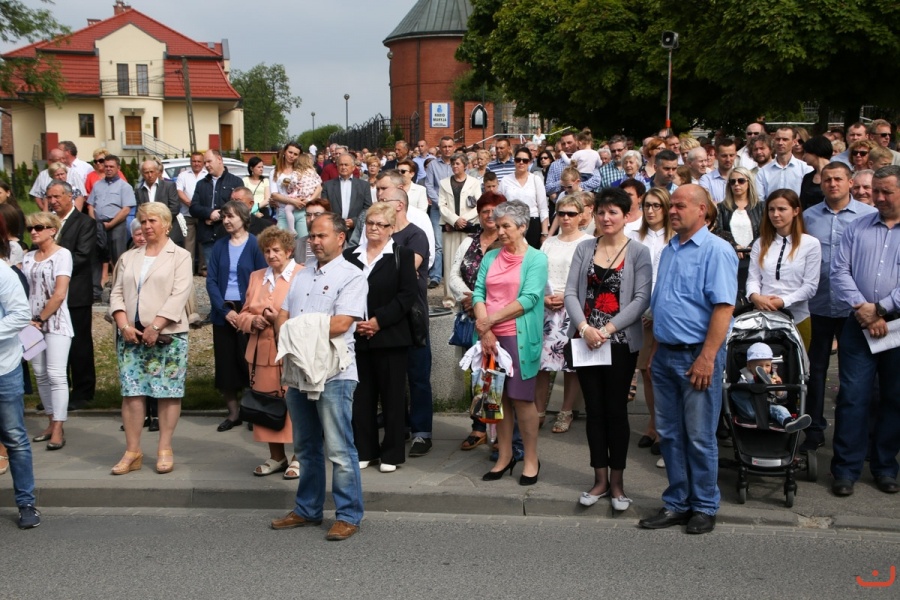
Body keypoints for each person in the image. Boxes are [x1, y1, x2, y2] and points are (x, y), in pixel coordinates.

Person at [639, 184, 737, 535]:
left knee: (698, 436)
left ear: (702, 210)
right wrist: (655, 351)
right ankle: (677, 503)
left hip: (697, 355)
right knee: (669, 434)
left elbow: (724, 308)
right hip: (666, 353)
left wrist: (708, 357)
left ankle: (704, 506)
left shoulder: (717, 250)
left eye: (680, 205)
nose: (672, 211)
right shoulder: (671, 249)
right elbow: (665, 304)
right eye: (672, 206)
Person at [270, 213, 367, 541]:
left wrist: (292, 331)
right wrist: (288, 330)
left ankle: (348, 515)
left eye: (321, 235)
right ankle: (307, 509)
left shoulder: (352, 276)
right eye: (311, 236)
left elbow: (340, 324)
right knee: (306, 446)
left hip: (334, 373)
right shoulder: (301, 275)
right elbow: (282, 314)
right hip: (298, 372)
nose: (314, 241)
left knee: (339, 448)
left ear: (340, 238)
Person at [564, 186, 652, 510]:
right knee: (594, 411)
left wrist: (606, 330)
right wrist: (585, 328)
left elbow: (641, 299)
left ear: (626, 216)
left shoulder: (639, 252)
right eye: (601, 212)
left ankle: (617, 484)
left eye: (613, 212)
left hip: (620, 344)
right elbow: (571, 293)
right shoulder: (584, 248)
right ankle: (599, 479)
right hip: (587, 342)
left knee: (616, 411)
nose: (605, 217)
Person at [829, 165, 900, 497]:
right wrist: (865, 310)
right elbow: (839, 271)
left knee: (894, 398)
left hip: (897, 326)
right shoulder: (857, 227)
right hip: (858, 325)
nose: (879, 198)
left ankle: (885, 467)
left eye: (887, 192)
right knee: (852, 397)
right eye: (876, 191)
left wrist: (881, 308)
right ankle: (845, 469)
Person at [108, 202, 192, 475]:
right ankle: (132, 451)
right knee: (132, 392)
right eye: (143, 221)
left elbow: (179, 294)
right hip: (131, 336)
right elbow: (116, 293)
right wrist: (123, 325)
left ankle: (164, 448)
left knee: (167, 392)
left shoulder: (180, 256)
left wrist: (156, 326)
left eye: (152, 221)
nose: (146, 226)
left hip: (168, 335)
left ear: (166, 224)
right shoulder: (130, 257)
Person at [803, 162, 877, 454]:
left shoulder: (868, 216)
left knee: (855, 377)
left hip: (854, 309)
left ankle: (857, 438)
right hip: (817, 305)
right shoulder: (808, 217)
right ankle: (813, 430)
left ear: (850, 183)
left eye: (838, 179)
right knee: (814, 371)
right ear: (821, 184)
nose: (832, 184)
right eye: (827, 180)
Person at [473, 200, 548, 486]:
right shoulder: (491, 256)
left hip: (519, 337)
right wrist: (485, 330)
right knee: (498, 399)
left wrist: (489, 321)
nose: (501, 231)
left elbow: (529, 298)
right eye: (498, 225)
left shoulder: (536, 259)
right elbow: (478, 292)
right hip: (490, 336)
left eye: (507, 226)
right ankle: (504, 456)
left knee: (522, 399)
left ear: (523, 227)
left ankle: (530, 458)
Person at [343, 202, 418, 473]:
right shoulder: (350, 255)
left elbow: (407, 295)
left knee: (392, 398)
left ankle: (392, 453)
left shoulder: (402, 255)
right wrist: (354, 322)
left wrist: (378, 321)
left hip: (390, 336)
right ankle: (366, 450)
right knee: (361, 397)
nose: (374, 228)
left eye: (381, 224)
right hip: (357, 336)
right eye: (370, 223)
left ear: (391, 228)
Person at [235, 227, 299, 478]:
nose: (271, 255)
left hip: (293, 353)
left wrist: (278, 321)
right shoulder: (256, 276)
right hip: (261, 353)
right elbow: (243, 313)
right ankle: (276, 457)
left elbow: (309, 315)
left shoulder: (303, 275)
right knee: (266, 407)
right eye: (267, 251)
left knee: (297, 406)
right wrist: (253, 321)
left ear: (289, 251)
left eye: (276, 250)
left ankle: (300, 457)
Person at [449, 192, 505, 449]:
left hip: (499, 317)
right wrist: (470, 298)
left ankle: (501, 431)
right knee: (477, 374)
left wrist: (482, 301)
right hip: (471, 315)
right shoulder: (468, 242)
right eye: (484, 211)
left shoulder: (509, 241)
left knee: (498, 372)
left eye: (495, 211)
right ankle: (479, 426)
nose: (489, 215)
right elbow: (453, 274)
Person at [206, 200, 267, 432]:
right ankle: (233, 413)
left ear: (243, 217)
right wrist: (225, 311)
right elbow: (211, 281)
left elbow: (262, 279)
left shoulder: (255, 245)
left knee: (250, 362)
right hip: (224, 311)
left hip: (248, 311)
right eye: (224, 216)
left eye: (231, 216)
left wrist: (246, 313)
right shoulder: (219, 246)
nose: (226, 221)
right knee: (226, 363)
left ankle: (252, 410)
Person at [534, 196, 592, 433]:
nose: (566, 218)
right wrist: (544, 297)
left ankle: (566, 411)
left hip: (573, 306)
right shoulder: (548, 243)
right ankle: (538, 411)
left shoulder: (588, 242)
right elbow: (537, 273)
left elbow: (589, 276)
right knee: (542, 364)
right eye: (561, 213)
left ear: (581, 216)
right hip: (547, 307)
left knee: (571, 364)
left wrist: (567, 296)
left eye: (571, 213)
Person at [627, 187, 674, 455]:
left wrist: (655, 310)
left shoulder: (675, 237)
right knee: (647, 371)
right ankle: (653, 424)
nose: (652, 210)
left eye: (657, 205)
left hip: (666, 312)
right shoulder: (634, 236)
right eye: (647, 205)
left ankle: (666, 428)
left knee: (662, 371)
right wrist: (642, 310)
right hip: (640, 312)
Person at [22, 212, 72, 451]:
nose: (33, 232)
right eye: (30, 228)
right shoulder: (27, 257)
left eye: (39, 227)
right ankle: (51, 421)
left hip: (55, 322)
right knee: (40, 374)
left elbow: (60, 293)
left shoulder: (63, 255)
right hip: (29, 324)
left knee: (56, 374)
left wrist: (39, 318)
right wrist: (28, 321)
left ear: (52, 230)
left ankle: (59, 427)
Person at [746, 189, 822, 348]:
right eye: (771, 209)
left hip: (797, 318)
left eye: (782, 209)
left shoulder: (811, 244)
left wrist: (783, 301)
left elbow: (810, 286)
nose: (775, 214)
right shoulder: (760, 243)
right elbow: (753, 279)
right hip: (764, 318)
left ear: (795, 211)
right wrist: (755, 297)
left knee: (797, 363)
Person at [46, 181, 96, 410]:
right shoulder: (47, 223)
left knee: (79, 344)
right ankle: (57, 392)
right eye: (49, 197)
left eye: (57, 196)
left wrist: (53, 269)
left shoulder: (84, 223)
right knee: (53, 344)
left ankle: (83, 392)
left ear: (69, 197)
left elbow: (82, 256)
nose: (53, 201)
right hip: (51, 294)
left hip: (75, 293)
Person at [0, 255, 40, 528]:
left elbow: (20, 315)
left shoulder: (3, 273)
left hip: (4, 367)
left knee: (14, 438)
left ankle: (26, 503)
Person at [730, 342, 811, 433]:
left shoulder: (771, 377)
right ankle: (757, 382)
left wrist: (778, 388)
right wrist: (755, 383)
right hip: (750, 409)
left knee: (780, 409)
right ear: (749, 365)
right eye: (760, 366)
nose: (764, 369)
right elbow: (741, 395)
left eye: (767, 365)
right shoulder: (745, 376)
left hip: (766, 408)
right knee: (737, 392)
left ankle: (789, 422)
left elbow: (782, 397)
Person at [87, 154, 136, 301]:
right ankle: (96, 292)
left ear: (118, 168)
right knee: (96, 257)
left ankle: (119, 292)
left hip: (116, 225)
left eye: (111, 166)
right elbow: (90, 205)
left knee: (118, 258)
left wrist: (111, 224)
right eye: (106, 166)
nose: (108, 169)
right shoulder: (97, 185)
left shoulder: (124, 186)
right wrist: (94, 222)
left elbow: (126, 209)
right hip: (98, 225)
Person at [189, 150, 244, 275]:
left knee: (231, 272)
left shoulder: (236, 182)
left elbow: (240, 207)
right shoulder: (201, 184)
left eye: (209, 161)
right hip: (208, 237)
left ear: (219, 159)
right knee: (213, 274)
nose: (206, 165)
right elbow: (193, 208)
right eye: (205, 163)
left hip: (228, 235)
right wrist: (209, 213)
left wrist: (219, 216)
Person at [438, 153, 481, 306]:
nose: (455, 166)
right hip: (450, 226)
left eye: (458, 163)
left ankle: (467, 296)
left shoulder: (474, 182)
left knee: (467, 260)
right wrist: (455, 220)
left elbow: (478, 205)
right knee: (449, 261)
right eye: (453, 164)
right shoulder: (444, 183)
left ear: (465, 165)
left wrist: (464, 219)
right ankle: (449, 298)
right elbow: (441, 205)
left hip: (468, 226)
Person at [717, 166, 764, 299]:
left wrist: (753, 246)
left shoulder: (761, 207)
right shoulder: (722, 208)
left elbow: (765, 231)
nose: (736, 184)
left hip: (756, 257)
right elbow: (719, 230)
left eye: (741, 181)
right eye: (732, 182)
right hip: (731, 258)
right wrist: (734, 245)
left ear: (749, 182)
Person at [499, 147, 550, 248]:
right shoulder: (505, 180)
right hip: (511, 222)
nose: (521, 163)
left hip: (532, 222)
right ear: (514, 161)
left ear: (529, 162)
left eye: (525, 160)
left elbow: (543, 208)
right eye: (518, 160)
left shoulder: (536, 179)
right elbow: (500, 206)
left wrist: (544, 233)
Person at [271, 145, 321, 244]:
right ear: (284, 152)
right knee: (281, 244)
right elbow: (274, 194)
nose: (292, 156)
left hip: (302, 211)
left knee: (303, 244)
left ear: (299, 156)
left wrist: (309, 200)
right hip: (284, 212)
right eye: (290, 152)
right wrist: (293, 201)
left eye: (295, 154)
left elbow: (319, 187)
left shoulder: (303, 170)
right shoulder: (275, 172)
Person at [321, 153, 370, 240]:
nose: (343, 167)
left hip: (355, 231)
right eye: (341, 165)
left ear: (353, 167)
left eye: (346, 165)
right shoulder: (327, 185)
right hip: (333, 229)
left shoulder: (364, 186)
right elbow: (324, 208)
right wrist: (335, 222)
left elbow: (368, 208)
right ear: (337, 167)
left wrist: (355, 221)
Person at [136, 159, 184, 247]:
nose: (150, 175)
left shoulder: (169, 186)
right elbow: (139, 212)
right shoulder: (139, 191)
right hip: (150, 233)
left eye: (152, 172)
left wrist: (158, 222)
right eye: (146, 172)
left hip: (169, 230)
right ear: (142, 174)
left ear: (157, 172)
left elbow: (175, 208)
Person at [756, 128, 814, 199]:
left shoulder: (805, 169)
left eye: (785, 139)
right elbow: (760, 200)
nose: (780, 143)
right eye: (777, 139)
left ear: (794, 142)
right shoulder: (763, 171)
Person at [175, 151, 207, 274]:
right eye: (194, 161)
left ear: (203, 163)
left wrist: (199, 208)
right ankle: (188, 270)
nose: (196, 163)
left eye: (199, 161)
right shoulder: (183, 175)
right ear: (190, 162)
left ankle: (203, 269)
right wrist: (192, 205)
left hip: (203, 215)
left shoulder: (207, 175)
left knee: (203, 243)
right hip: (187, 215)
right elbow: (179, 192)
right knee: (188, 244)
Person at [799, 136, 835, 210]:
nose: (803, 157)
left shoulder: (840, 173)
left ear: (815, 151)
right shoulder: (808, 177)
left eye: (806, 152)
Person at [699, 138, 738, 203]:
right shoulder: (706, 179)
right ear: (716, 156)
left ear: (736, 155)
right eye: (724, 156)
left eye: (731, 155)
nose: (728, 159)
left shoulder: (742, 179)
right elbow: (706, 203)